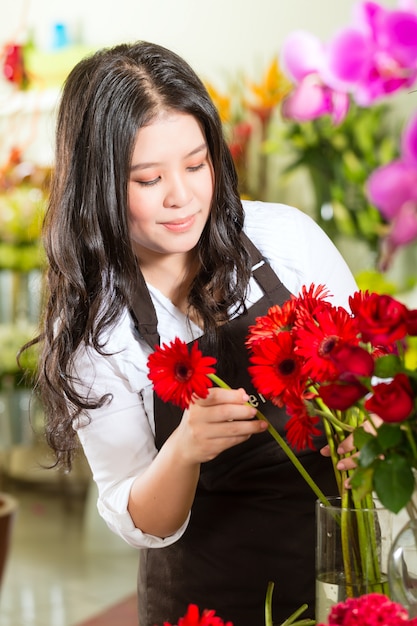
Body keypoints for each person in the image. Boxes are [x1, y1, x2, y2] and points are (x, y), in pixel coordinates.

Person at [29, 41, 358, 626]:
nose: (181, 197)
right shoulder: (94, 329)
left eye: (196, 164)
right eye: (149, 178)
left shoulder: (287, 241)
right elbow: (143, 522)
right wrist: (185, 447)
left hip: (343, 574)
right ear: (99, 186)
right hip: (208, 599)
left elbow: (368, 373)